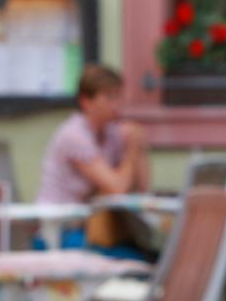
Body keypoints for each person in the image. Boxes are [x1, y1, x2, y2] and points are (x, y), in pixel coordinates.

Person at [37, 64, 149, 204]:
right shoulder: (74, 135)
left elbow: (141, 188)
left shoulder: (111, 132)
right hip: (59, 220)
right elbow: (118, 187)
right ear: (85, 101)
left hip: (86, 219)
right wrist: (132, 148)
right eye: (109, 97)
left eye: (119, 96)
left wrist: (139, 143)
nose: (116, 104)